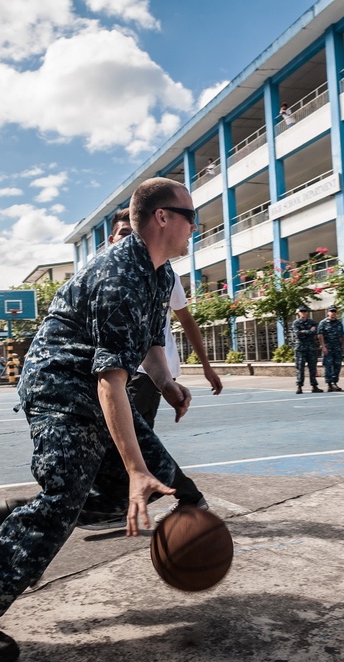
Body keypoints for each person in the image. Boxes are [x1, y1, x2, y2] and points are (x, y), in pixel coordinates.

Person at [0, 177, 197, 662]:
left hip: (94, 385)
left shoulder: (160, 274)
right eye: (191, 217)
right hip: (59, 385)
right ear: (163, 217)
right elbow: (109, 382)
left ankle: (21, 513)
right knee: (67, 498)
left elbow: (147, 344)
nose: (195, 229)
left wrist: (165, 383)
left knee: (155, 482)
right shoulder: (119, 272)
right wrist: (135, 469)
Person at [107, 209, 222, 524]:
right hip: (128, 370)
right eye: (123, 234)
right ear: (110, 239)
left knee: (135, 439)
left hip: (148, 373)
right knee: (128, 439)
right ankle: (123, 502)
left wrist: (207, 367)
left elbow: (187, 321)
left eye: (134, 234)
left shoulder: (162, 273)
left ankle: (185, 496)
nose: (130, 241)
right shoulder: (111, 275)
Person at [292, 305, 323, 394]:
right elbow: (298, 334)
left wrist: (304, 331)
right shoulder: (296, 323)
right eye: (301, 311)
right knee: (300, 368)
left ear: (307, 313)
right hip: (300, 348)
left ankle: (314, 386)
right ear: (298, 313)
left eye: (305, 311)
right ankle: (299, 386)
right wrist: (308, 331)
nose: (303, 313)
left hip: (311, 348)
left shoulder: (312, 322)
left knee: (312, 367)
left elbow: (315, 332)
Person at [318, 305, 344, 392]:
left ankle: (334, 382)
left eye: (334, 311)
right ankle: (329, 384)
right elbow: (320, 335)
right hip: (328, 347)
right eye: (331, 311)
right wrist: (323, 347)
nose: (333, 313)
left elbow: (342, 336)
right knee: (328, 366)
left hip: (337, 348)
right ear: (328, 312)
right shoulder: (323, 323)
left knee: (337, 365)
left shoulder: (339, 323)